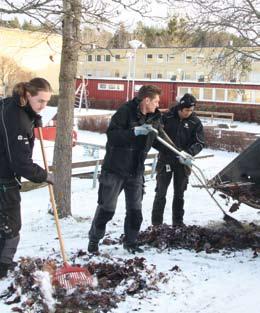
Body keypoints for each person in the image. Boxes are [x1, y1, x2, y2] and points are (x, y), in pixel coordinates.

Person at [88, 85, 163, 254]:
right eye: (156, 101)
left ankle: (131, 242)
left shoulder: (155, 117)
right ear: (147, 100)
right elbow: (112, 136)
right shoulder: (125, 112)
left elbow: (161, 140)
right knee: (106, 209)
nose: (157, 105)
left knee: (135, 210)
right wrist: (134, 132)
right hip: (115, 169)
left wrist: (180, 154)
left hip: (136, 171)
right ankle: (94, 239)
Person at [0, 78, 54, 278]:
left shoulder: (12, 104)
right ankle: (3, 268)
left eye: (47, 102)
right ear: (28, 95)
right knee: (11, 226)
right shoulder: (17, 119)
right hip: (4, 179)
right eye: (40, 101)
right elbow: (21, 163)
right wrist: (44, 175)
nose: (43, 106)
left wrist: (33, 116)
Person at [151, 93, 205, 226]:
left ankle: (178, 223)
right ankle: (156, 224)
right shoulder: (166, 118)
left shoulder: (195, 122)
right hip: (166, 161)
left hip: (183, 163)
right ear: (180, 108)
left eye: (191, 110)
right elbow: (155, 138)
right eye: (186, 110)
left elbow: (200, 142)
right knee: (160, 193)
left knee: (179, 194)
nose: (189, 113)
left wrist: (188, 153)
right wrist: (167, 151)